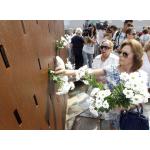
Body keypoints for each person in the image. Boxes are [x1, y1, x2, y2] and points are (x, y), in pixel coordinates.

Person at [55, 39, 148, 130]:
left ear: (135, 56)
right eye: (120, 52)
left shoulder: (140, 76)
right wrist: (66, 72)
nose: (120, 56)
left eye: (125, 54)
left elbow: (142, 99)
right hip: (112, 116)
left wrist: (126, 106)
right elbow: (89, 72)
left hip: (131, 119)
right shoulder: (112, 69)